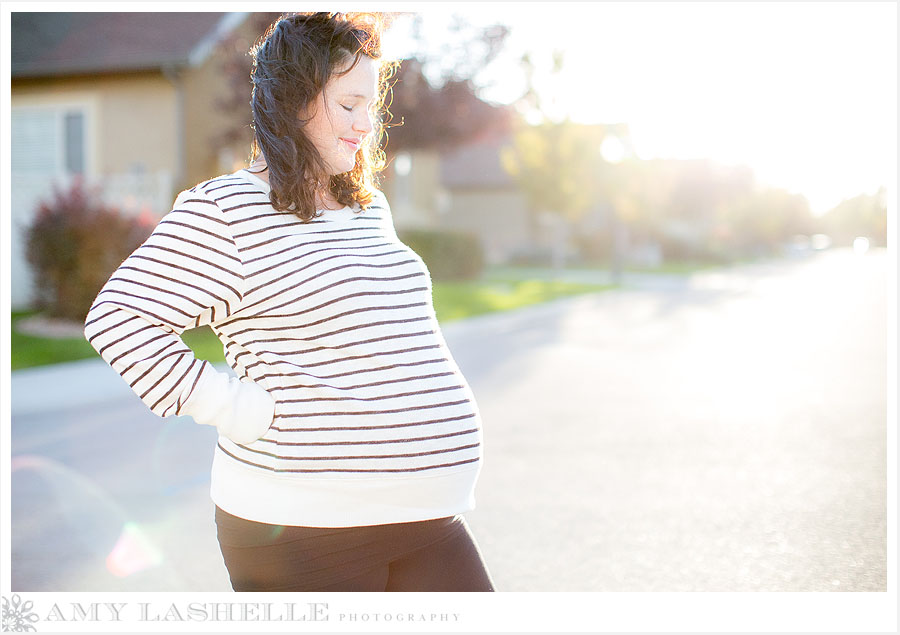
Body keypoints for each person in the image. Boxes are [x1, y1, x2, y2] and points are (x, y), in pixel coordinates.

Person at [84, 11, 494, 592]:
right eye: (348, 104)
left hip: (426, 518)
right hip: (304, 530)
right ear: (294, 100)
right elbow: (119, 319)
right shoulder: (225, 210)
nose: (365, 123)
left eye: (370, 104)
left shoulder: (367, 207)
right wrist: (231, 406)